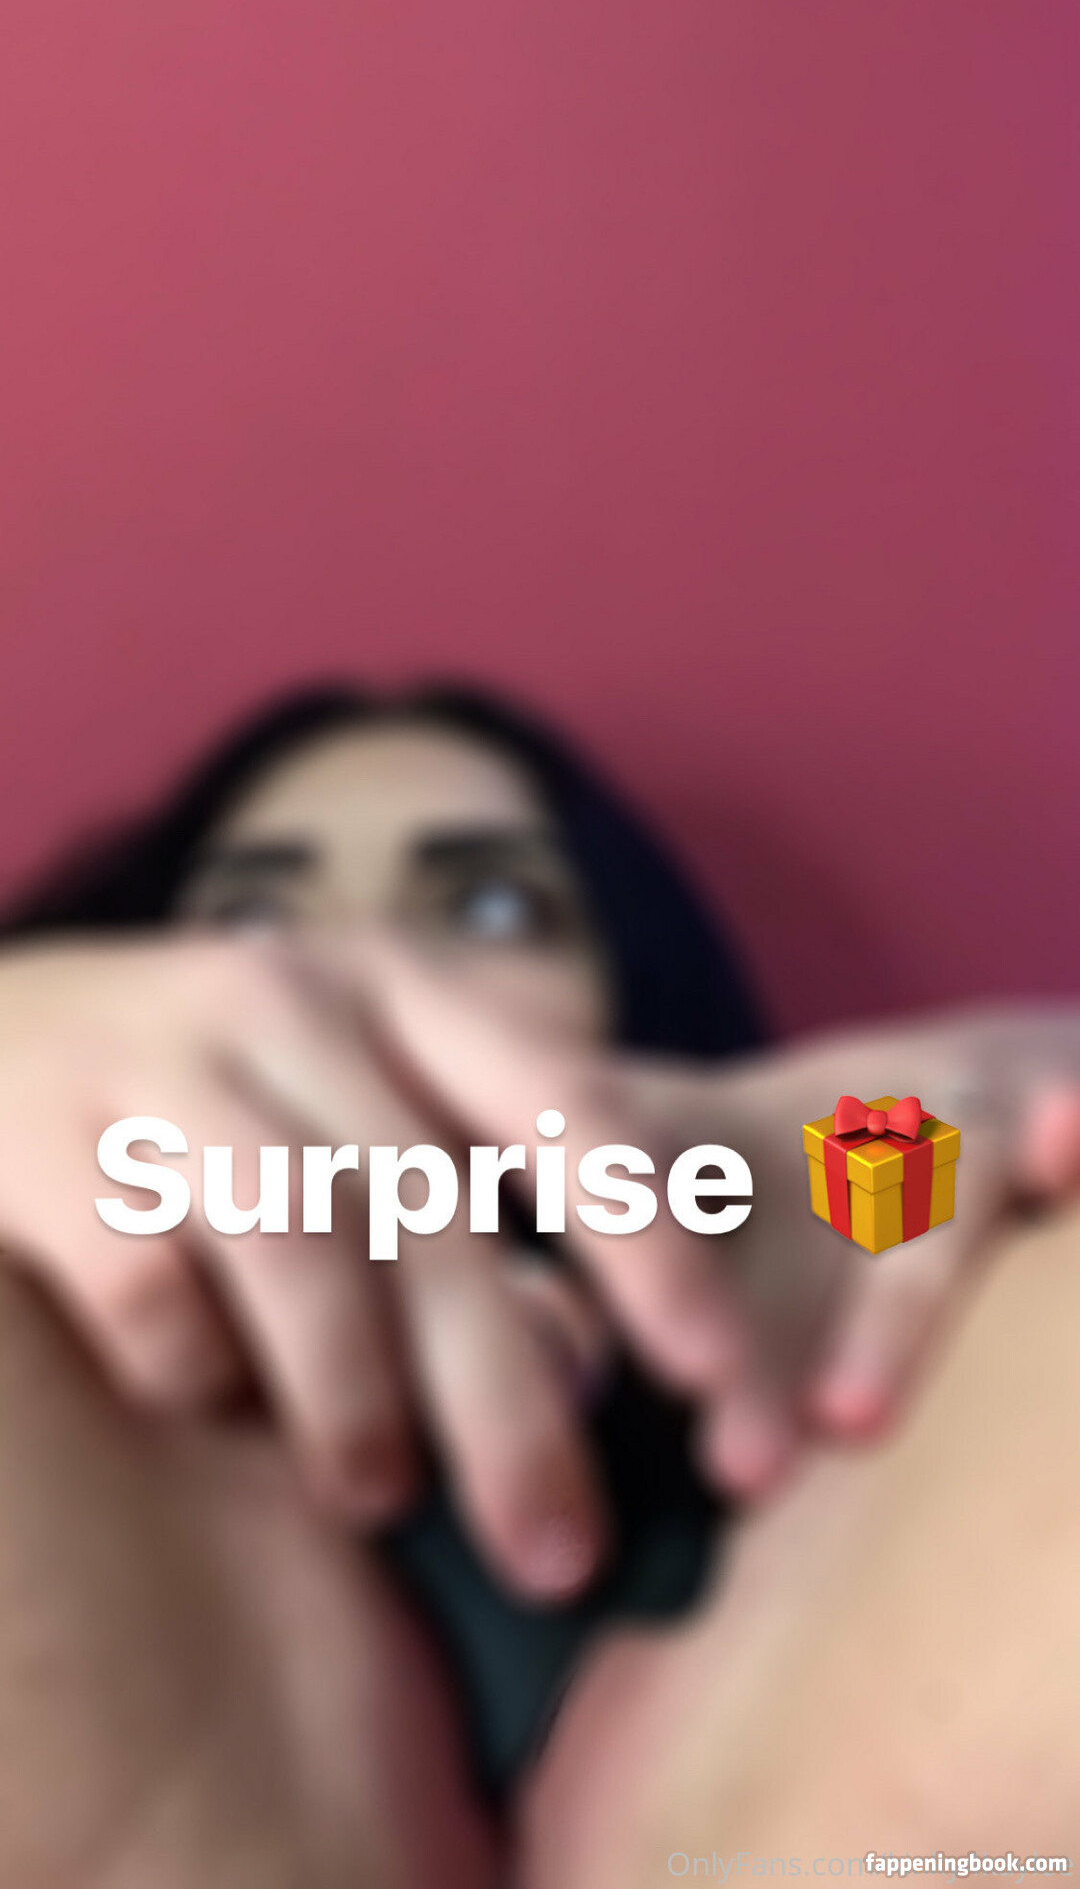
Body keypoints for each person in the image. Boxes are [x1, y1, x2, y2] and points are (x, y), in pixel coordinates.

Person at [0, 684, 1078, 1886]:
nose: (347, 964)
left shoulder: (830, 1235)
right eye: (248, 917)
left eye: (495, 907)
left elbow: (934, 1181)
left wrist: (987, 1090)